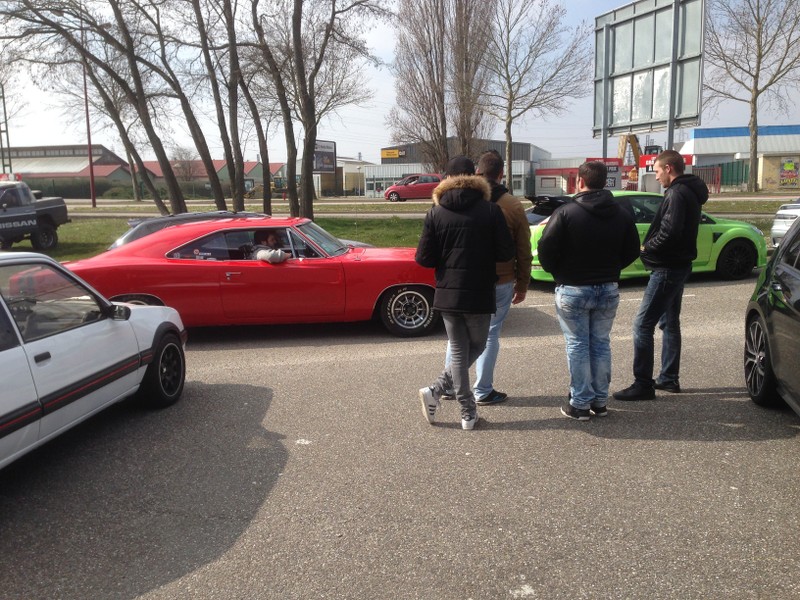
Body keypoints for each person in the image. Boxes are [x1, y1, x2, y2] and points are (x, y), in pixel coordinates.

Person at [415, 155, 515, 430]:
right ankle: (467, 411)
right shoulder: (490, 210)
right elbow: (506, 252)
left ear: (446, 179)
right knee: (478, 346)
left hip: (448, 293)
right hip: (480, 291)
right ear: (475, 177)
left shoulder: (435, 212)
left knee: (459, 350)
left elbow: (423, 258)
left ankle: (437, 391)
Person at [537, 161, 640, 420]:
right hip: (607, 288)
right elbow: (631, 251)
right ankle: (600, 401)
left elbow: (546, 249)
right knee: (601, 344)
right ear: (605, 181)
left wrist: (559, 272)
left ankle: (580, 404)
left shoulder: (566, 212)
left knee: (578, 345)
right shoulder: (622, 213)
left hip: (573, 288)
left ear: (580, 182)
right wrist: (611, 268)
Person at [613, 150, 709, 401]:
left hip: (668, 267)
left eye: (656, 171)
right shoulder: (687, 191)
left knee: (642, 325)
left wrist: (647, 247)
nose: (656, 177)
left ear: (668, 168)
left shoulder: (677, 193)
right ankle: (668, 378)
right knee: (669, 323)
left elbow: (670, 230)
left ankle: (643, 384)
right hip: (679, 264)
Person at [444, 149, 532, 405]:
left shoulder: (457, 200)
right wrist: (523, 283)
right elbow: (523, 249)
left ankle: (449, 386)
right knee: (490, 334)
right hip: (500, 279)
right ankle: (482, 390)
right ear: (502, 174)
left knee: (456, 337)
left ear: (477, 172)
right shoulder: (512, 205)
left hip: (462, 278)